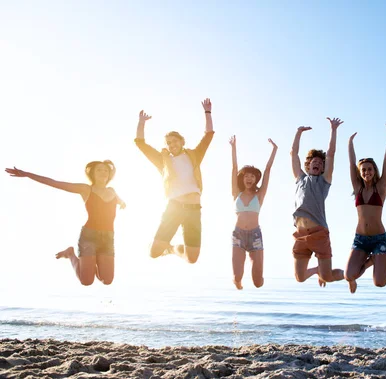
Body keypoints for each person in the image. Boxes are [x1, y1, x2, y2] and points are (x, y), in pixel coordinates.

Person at [5, 161, 126, 286]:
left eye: (106, 170)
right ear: (93, 173)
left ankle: (91, 260)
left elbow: (118, 200)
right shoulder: (85, 189)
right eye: (99, 170)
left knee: (107, 280)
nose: (103, 172)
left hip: (108, 239)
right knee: (87, 281)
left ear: (110, 174)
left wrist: (122, 203)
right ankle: (70, 253)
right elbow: (55, 183)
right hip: (90, 237)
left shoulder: (112, 191)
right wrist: (27, 174)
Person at [134, 98, 214, 263]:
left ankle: (171, 249)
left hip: (193, 210)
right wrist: (141, 122)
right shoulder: (162, 161)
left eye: (175, 141)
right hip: (174, 208)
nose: (172, 145)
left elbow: (208, 136)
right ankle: (166, 247)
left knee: (192, 259)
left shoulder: (194, 156)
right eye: (168, 143)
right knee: (154, 253)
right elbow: (141, 144)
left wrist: (208, 112)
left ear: (182, 141)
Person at [345, 123, 386, 293]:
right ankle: (369, 261)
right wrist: (349, 143)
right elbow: (351, 163)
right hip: (360, 239)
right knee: (349, 275)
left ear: (374, 170)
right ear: (360, 172)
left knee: (380, 282)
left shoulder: (381, 187)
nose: (366, 172)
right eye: (363, 170)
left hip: (378, 239)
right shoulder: (358, 188)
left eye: (369, 169)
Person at [290, 117, 345, 286]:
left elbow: (331, 153)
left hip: (319, 233)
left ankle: (349, 275)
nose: (317, 163)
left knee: (327, 276)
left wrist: (333, 130)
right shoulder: (300, 179)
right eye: (314, 162)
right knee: (299, 277)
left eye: (320, 163)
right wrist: (298, 133)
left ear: (322, 169)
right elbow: (293, 154)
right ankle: (317, 271)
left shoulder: (323, 182)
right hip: (300, 234)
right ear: (308, 166)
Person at [229, 135, 278, 290]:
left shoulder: (259, 195)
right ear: (242, 179)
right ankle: (237, 281)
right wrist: (233, 148)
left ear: (256, 179)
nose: (249, 178)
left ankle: (258, 274)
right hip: (238, 235)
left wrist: (274, 150)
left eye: (252, 176)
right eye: (246, 176)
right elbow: (234, 168)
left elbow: (268, 170)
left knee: (258, 282)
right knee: (237, 276)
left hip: (255, 235)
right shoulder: (236, 192)